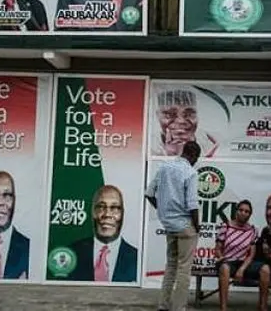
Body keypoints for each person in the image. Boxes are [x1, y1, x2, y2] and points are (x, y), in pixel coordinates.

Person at [145, 141, 201, 311]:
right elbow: (192, 204)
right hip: (185, 225)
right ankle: (179, 307)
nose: (196, 162)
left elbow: (149, 193)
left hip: (169, 225)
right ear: (193, 155)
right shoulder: (190, 172)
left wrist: (162, 209)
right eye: (196, 158)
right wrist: (197, 226)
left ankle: (163, 305)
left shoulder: (164, 167)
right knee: (184, 268)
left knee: (171, 265)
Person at [66, 185, 138, 282]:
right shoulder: (71, 253)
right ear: (93, 212)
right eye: (101, 207)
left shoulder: (137, 259)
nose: (107, 214)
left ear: (122, 214)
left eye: (115, 208)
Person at [216, 200, 270, 311]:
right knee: (225, 268)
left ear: (250, 214)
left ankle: (263, 306)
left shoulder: (253, 230)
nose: (243, 213)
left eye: (247, 211)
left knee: (265, 269)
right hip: (228, 262)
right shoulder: (226, 226)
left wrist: (242, 269)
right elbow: (217, 249)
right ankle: (223, 308)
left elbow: (251, 254)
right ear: (236, 211)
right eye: (241, 210)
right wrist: (220, 257)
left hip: (245, 263)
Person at [150, 89, 218, 158]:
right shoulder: (149, 146)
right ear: (158, 116)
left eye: (189, 114)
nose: (181, 121)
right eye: (169, 115)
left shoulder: (207, 143)